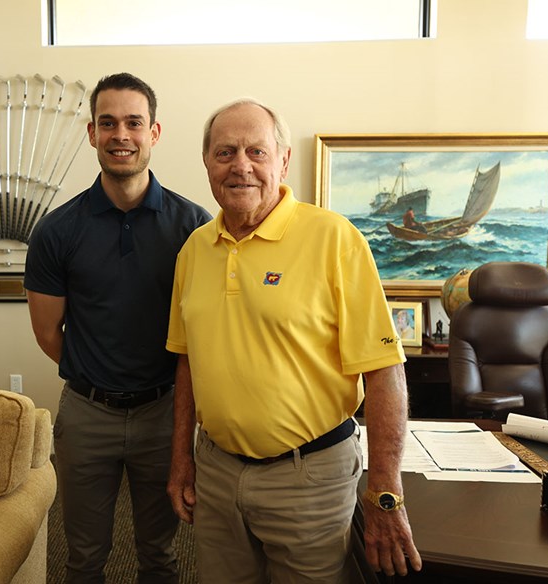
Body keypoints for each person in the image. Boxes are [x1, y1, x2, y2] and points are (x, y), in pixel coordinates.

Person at [166, 98, 421, 583]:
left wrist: (387, 491)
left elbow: (384, 369)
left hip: (310, 477)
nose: (241, 165)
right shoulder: (193, 250)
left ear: (282, 161)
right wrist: (182, 459)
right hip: (217, 472)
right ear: (206, 163)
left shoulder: (336, 239)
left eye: (256, 152)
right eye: (225, 153)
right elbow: (187, 363)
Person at [25, 72, 211, 584]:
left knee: (161, 555)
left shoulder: (193, 226)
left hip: (164, 416)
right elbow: (47, 332)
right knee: (83, 557)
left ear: (154, 132)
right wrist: (97, 373)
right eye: (108, 123)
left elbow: (205, 330)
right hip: (87, 416)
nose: (120, 135)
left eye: (134, 122)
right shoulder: (56, 230)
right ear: (91, 133)